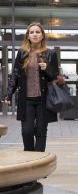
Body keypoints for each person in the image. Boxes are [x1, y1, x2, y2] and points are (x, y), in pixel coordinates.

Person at [2, 23, 59, 151]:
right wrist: (9, 93)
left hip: (43, 100)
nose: (34, 34)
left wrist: (47, 69)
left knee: (40, 131)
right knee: (27, 131)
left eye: (37, 32)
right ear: (28, 36)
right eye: (31, 32)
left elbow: (55, 75)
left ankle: (38, 162)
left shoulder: (50, 53)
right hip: (26, 100)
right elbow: (15, 75)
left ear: (42, 35)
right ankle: (29, 157)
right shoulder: (22, 53)